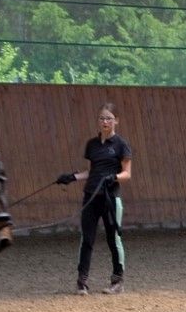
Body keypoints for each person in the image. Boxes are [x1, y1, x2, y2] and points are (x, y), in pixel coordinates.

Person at [56, 103, 132, 295]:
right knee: (86, 239)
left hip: (110, 197)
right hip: (91, 196)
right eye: (102, 118)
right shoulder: (92, 145)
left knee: (113, 239)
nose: (105, 121)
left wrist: (113, 177)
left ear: (116, 121)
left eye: (108, 118)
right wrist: (71, 177)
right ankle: (82, 281)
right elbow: (90, 172)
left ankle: (117, 280)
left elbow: (127, 174)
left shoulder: (121, 145)